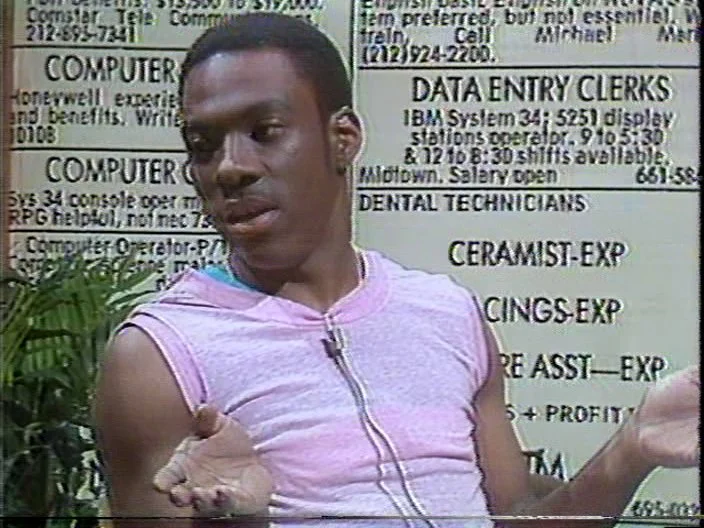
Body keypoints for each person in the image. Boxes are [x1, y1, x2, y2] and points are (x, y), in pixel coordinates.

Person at [93, 13, 700, 528]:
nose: (230, 167)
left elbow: (515, 516)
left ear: (343, 138)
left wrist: (631, 449)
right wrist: (243, 520)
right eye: (202, 146)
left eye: (264, 132)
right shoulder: (159, 356)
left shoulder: (446, 312)